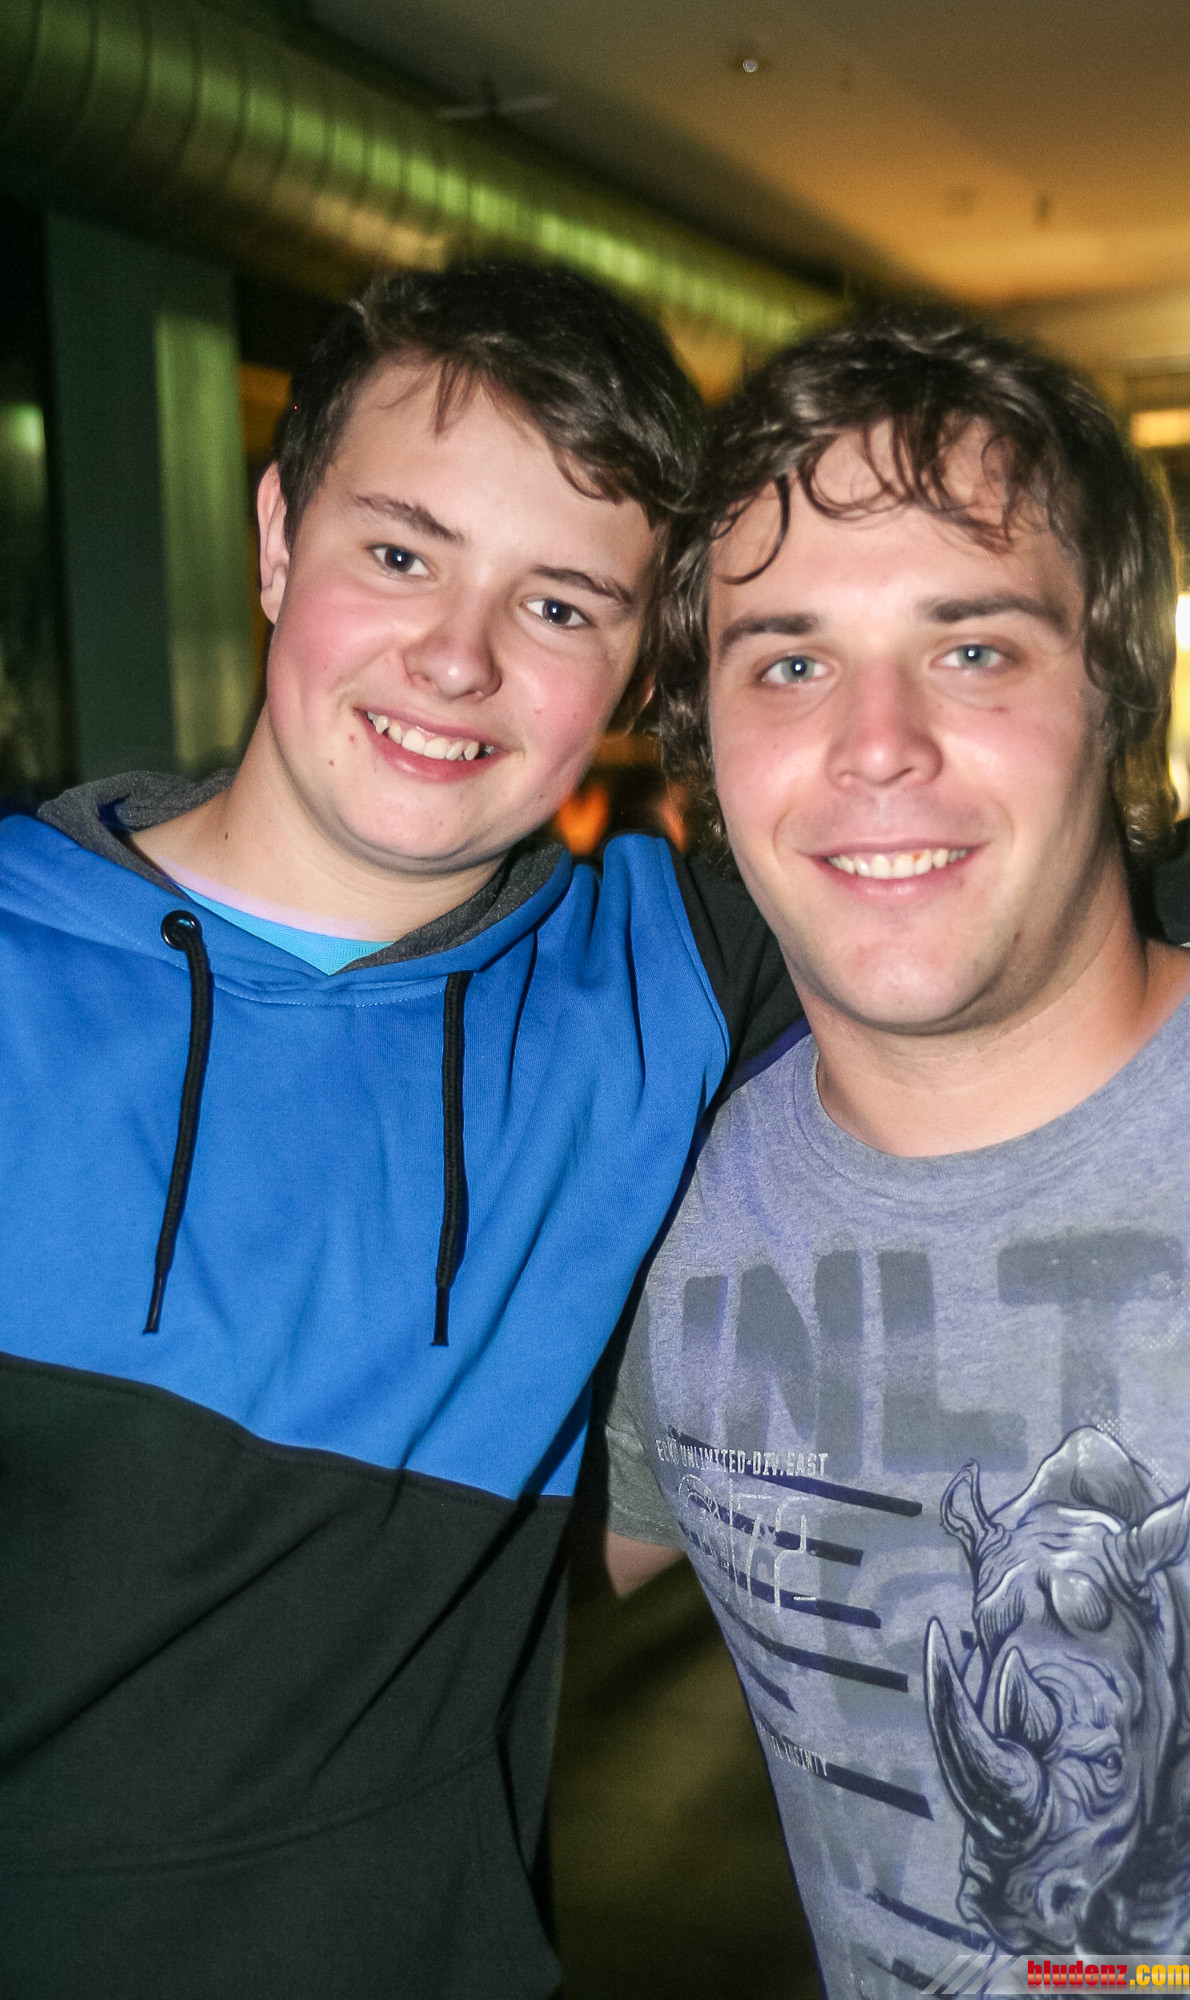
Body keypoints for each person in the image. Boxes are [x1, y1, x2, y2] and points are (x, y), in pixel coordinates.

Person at [0, 261, 802, 2000]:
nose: (456, 657)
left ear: (636, 668)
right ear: (277, 539)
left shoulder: (664, 980)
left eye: (561, 604)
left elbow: (1111, 893)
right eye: (399, 553)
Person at [597, 309, 1190, 1982]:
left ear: (1114, 696)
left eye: (973, 648)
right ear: (702, 751)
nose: (876, 745)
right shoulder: (670, 1210)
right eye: (789, 662)